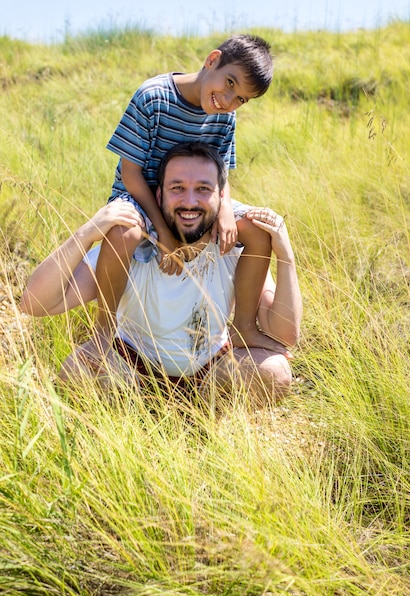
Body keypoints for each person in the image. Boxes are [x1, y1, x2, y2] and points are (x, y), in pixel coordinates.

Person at [21, 142, 302, 403]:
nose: (189, 201)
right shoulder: (132, 247)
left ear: (221, 198)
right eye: (177, 188)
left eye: (203, 189)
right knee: (76, 372)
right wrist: (86, 233)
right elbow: (33, 303)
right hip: (131, 368)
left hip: (211, 374)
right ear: (159, 194)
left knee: (275, 371)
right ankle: (137, 421)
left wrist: (285, 253)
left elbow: (285, 334)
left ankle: (203, 425)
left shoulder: (233, 249)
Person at [95, 33, 282, 357]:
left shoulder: (225, 116)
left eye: (241, 99)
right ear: (212, 60)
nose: (228, 100)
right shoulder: (153, 97)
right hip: (142, 198)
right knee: (123, 232)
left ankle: (244, 327)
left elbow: (221, 172)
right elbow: (131, 174)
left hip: (195, 199)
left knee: (257, 229)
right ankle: (102, 329)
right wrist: (163, 231)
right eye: (229, 83)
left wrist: (224, 211)